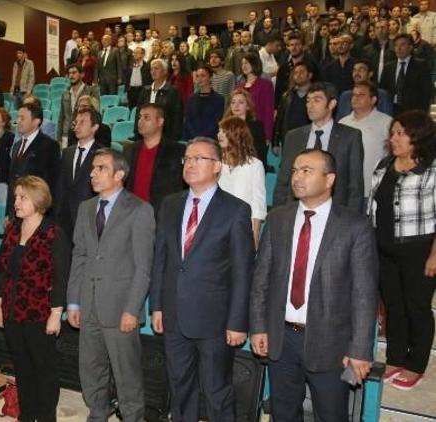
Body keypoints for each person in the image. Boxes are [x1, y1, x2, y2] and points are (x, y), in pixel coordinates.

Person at [251, 148, 378, 421]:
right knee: (283, 413)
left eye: (306, 170)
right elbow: (262, 279)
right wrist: (259, 326)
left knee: (330, 415)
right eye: (295, 170)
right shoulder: (277, 219)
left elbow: (364, 295)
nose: (297, 177)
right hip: (282, 339)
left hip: (331, 343)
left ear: (329, 179)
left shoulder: (354, 226)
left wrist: (360, 350)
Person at [151, 137, 254, 421]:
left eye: (199, 158)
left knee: (216, 392)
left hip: (215, 321)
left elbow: (243, 271)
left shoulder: (235, 210)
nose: (190, 164)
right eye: (187, 158)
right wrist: (157, 305)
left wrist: (237, 322)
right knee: (179, 389)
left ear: (217, 166)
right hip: (174, 316)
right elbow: (161, 258)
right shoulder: (170, 204)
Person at [67, 148, 155, 422]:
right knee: (91, 371)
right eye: (93, 168)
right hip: (89, 305)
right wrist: (73, 301)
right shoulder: (85, 208)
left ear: (119, 175)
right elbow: (79, 255)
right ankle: (98, 414)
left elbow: (144, 267)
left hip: (120, 310)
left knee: (126, 377)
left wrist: (132, 309)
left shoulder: (140, 210)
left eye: (101, 168)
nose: (92, 173)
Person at [0, 176, 71, 422]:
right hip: (12, 310)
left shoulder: (53, 233)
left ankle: (46, 417)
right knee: (22, 367)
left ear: (38, 200)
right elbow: (2, 269)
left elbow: (61, 277)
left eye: (22, 197)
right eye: (15, 196)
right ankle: (27, 415)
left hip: (40, 313)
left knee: (43, 369)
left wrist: (56, 314)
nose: (16, 202)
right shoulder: (13, 229)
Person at [368, 110, 436, 390]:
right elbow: (372, 207)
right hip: (384, 248)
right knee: (393, 306)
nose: (393, 138)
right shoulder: (384, 165)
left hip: (418, 250)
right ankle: (395, 358)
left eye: (400, 133)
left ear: (417, 138)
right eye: (393, 132)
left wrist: (434, 255)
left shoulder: (431, 170)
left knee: (417, 306)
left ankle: (416, 363)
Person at [274, 83, 364, 211]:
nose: (310, 106)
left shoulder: (350, 137)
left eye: (317, 100)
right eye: (308, 101)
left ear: (332, 104)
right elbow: (283, 181)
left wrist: (351, 222)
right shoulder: (293, 136)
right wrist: (279, 214)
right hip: (296, 210)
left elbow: (355, 186)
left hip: (335, 214)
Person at [124, 103, 186, 214]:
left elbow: (179, 188)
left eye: (146, 117)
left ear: (160, 122)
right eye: (140, 117)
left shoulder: (176, 151)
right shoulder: (129, 149)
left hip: (161, 214)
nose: (140, 121)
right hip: (130, 213)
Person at [56, 107, 104, 240]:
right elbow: (60, 186)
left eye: (82, 122)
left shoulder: (102, 154)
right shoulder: (67, 153)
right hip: (65, 221)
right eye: (76, 122)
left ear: (94, 127)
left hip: (89, 218)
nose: (77, 125)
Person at [217, 118, 267, 246]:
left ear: (237, 135)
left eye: (224, 131)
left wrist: (255, 234)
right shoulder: (215, 162)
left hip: (242, 225)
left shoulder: (255, 165)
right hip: (217, 224)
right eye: (219, 131)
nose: (219, 134)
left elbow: (258, 203)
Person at [339, 81, 393, 198]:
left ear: (373, 100)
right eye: (354, 95)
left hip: (375, 189)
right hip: (348, 190)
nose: (355, 98)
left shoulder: (387, 122)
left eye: (361, 95)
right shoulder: (343, 122)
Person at [6, 103, 60, 218]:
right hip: (16, 211)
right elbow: (12, 181)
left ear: (36, 121)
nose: (18, 121)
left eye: (22, 118)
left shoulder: (49, 145)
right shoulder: (17, 145)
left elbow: (52, 183)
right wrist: (8, 212)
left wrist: (46, 214)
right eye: (18, 117)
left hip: (36, 212)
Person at [380, 34, 433, 114]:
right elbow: (383, 89)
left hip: (413, 111)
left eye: (402, 45)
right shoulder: (388, 67)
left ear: (410, 47)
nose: (398, 48)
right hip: (391, 110)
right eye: (396, 45)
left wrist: (421, 112)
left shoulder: (421, 65)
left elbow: (426, 92)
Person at [135, 58, 183, 142]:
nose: (153, 71)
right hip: (144, 136)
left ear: (165, 72)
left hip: (165, 137)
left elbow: (177, 116)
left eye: (156, 68)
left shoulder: (172, 91)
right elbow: (138, 113)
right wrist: (137, 133)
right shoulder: (145, 90)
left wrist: (173, 138)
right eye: (151, 69)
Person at [224, 88, 269, 171]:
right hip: (228, 168)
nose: (236, 105)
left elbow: (261, 153)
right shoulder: (224, 126)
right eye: (233, 102)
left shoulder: (257, 126)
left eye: (240, 102)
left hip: (250, 168)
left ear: (248, 106)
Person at [236, 53, 275, 144]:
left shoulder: (265, 85)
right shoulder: (239, 86)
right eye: (242, 63)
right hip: (240, 131)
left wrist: (267, 135)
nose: (244, 66)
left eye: (247, 63)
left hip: (257, 131)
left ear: (255, 64)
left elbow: (268, 111)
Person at [57, 64, 100, 144]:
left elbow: (96, 114)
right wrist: (59, 138)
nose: (71, 76)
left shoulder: (91, 91)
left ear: (82, 74)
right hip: (66, 135)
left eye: (74, 73)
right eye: (69, 73)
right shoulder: (65, 93)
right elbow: (61, 117)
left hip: (84, 134)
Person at [274, 62, 313, 149]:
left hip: (309, 140)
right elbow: (279, 120)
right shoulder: (287, 96)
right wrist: (275, 142)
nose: (298, 75)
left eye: (302, 72)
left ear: (310, 75)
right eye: (295, 73)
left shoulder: (316, 95)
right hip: (289, 140)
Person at [185, 66, 225, 141]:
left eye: (203, 76)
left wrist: (203, 137)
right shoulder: (191, 99)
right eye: (197, 76)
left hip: (211, 140)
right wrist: (195, 136)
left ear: (210, 78)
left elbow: (216, 122)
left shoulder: (219, 99)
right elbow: (188, 121)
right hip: (193, 140)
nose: (200, 79)